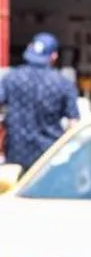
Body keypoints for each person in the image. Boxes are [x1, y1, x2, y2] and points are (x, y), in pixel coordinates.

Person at [0, 32, 81, 172]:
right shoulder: (63, 83)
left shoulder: (10, 78)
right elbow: (73, 123)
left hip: (16, 151)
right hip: (49, 154)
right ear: (54, 56)